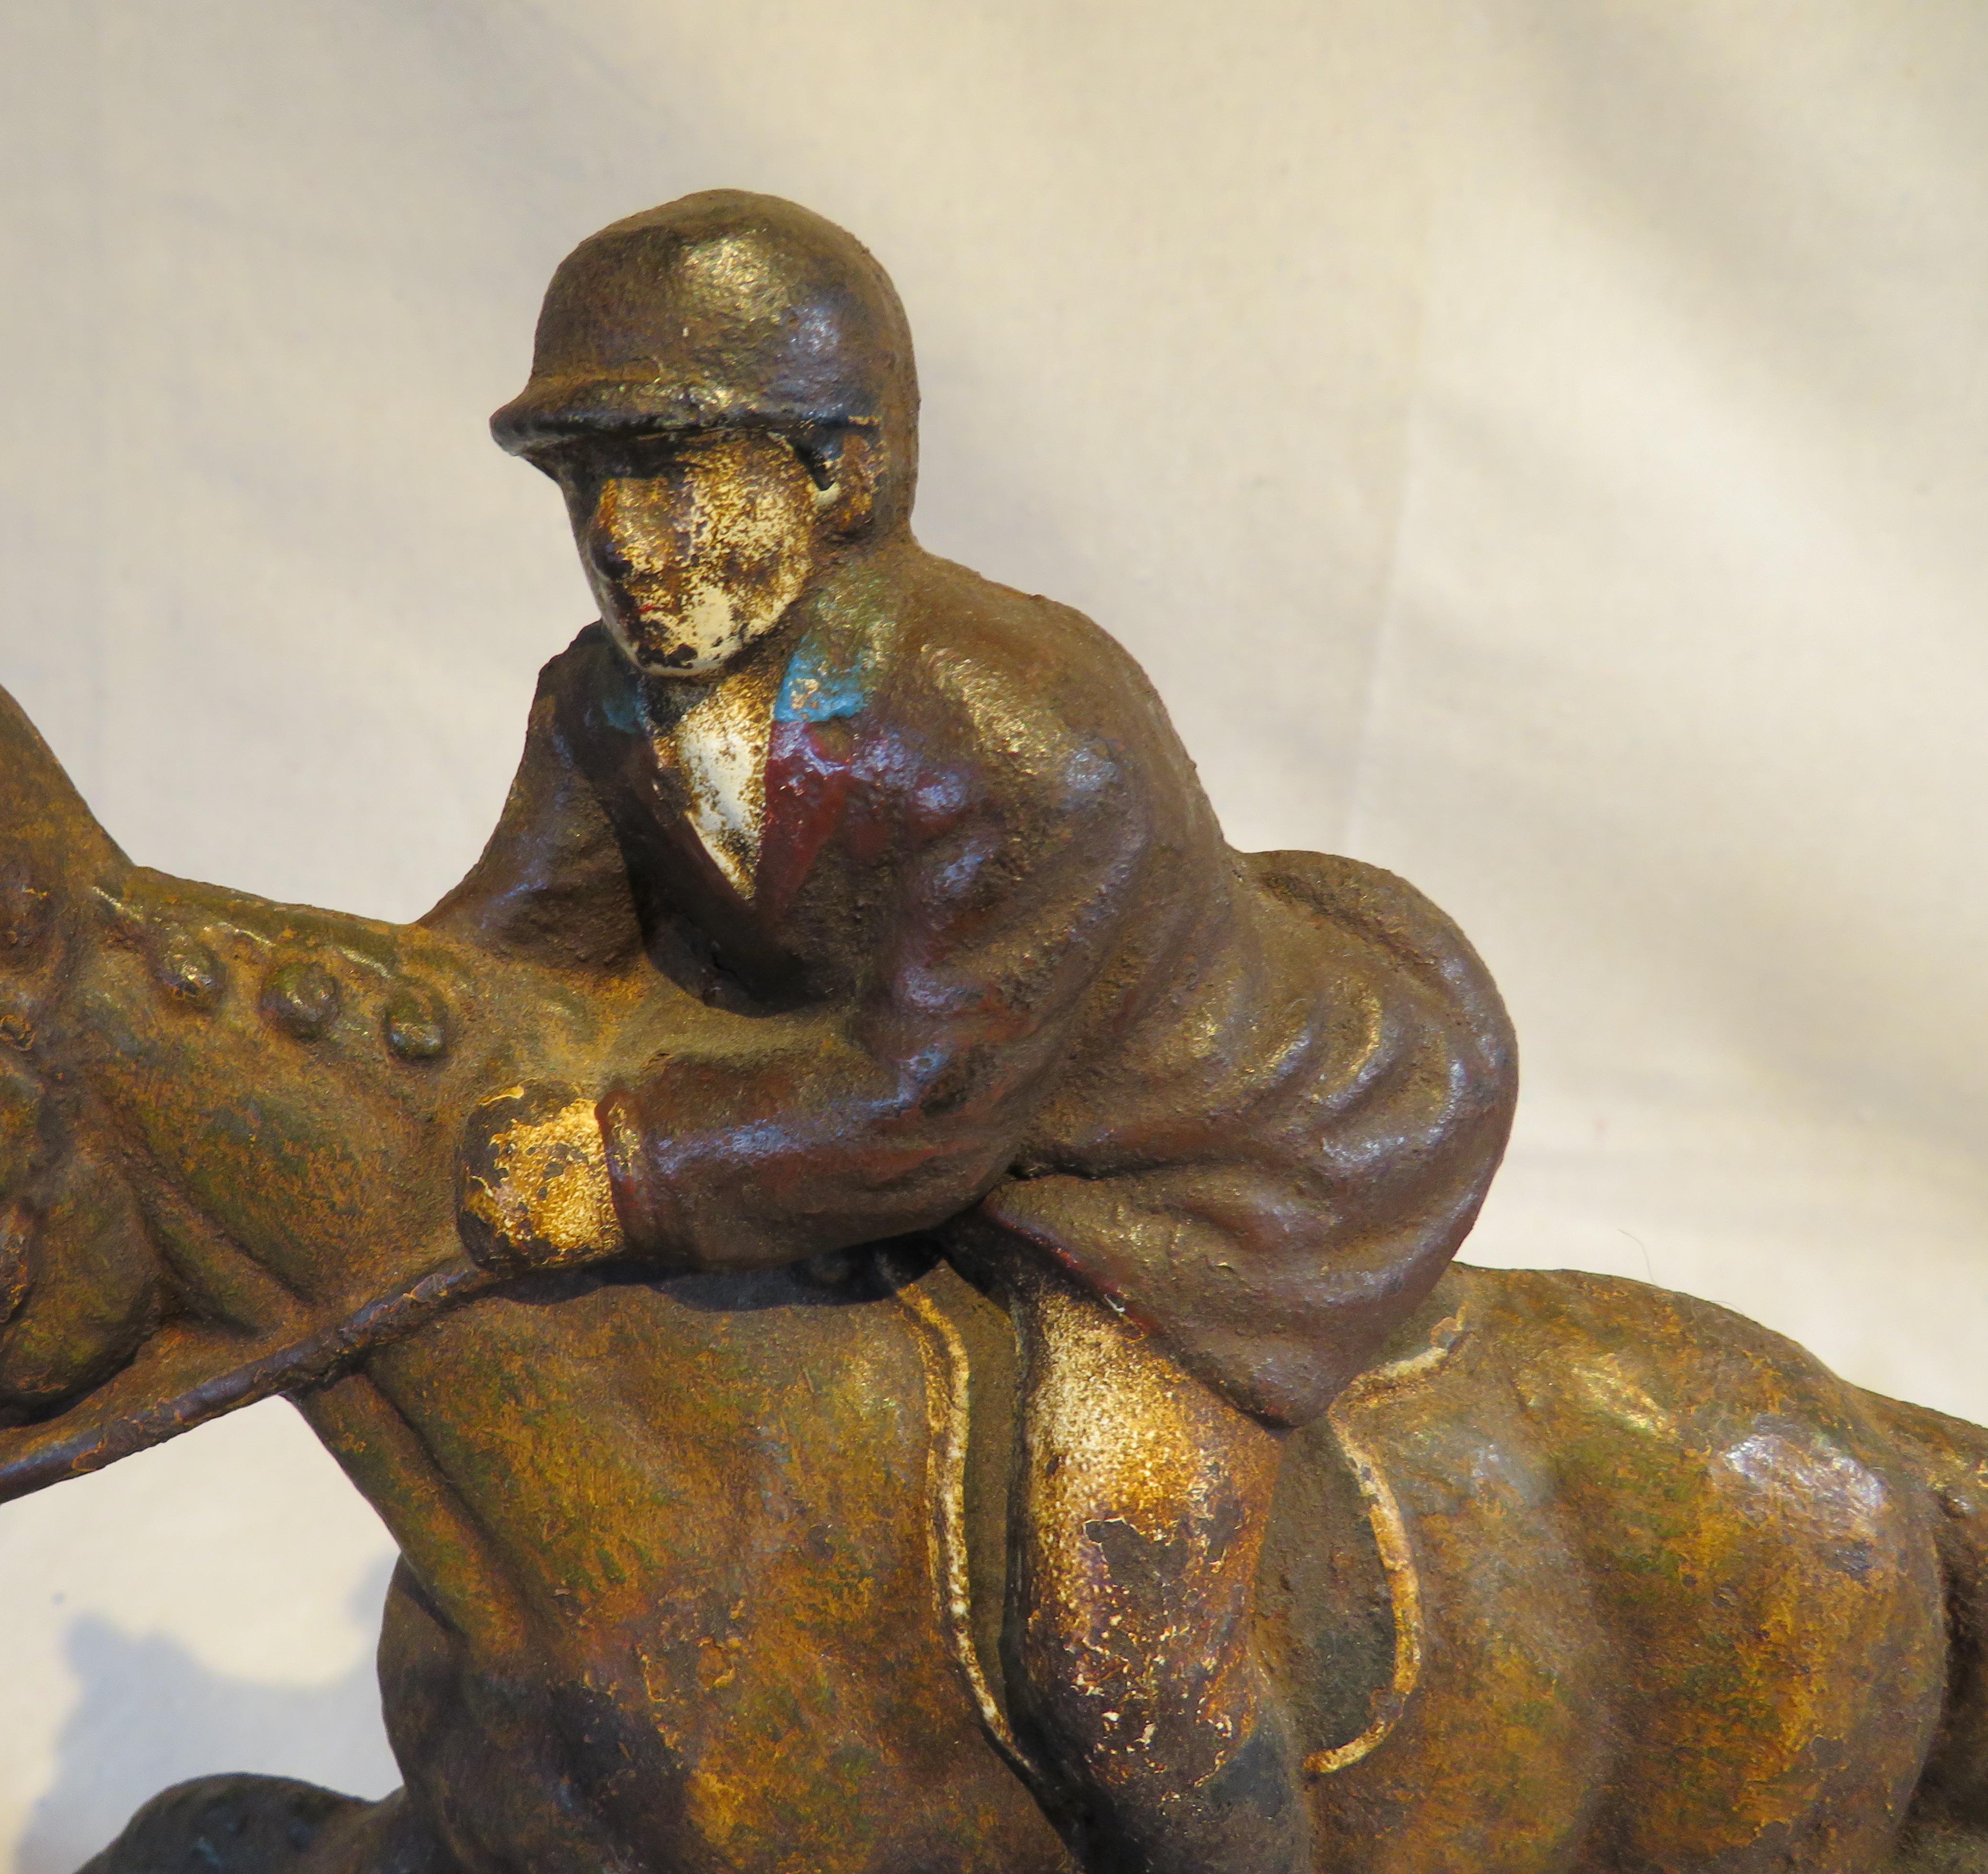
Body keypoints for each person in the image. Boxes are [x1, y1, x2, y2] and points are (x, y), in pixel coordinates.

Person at [425, 189, 1516, 1874]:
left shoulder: (1018, 729)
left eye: (674, 475)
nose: (626, 541)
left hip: (1184, 1183)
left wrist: (624, 1164)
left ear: (840, 475)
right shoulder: (604, 707)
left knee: (1124, 1661)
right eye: (588, 486)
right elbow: (503, 959)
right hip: (910, 1153)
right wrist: (321, 1043)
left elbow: (917, 1110)